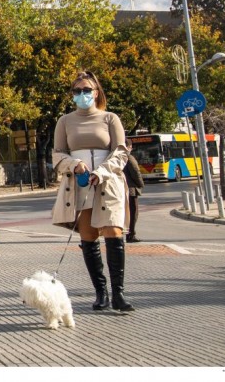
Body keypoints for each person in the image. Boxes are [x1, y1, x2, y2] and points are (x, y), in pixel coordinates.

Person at [51, 70, 135, 313]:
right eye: (77, 91)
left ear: (96, 92)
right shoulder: (64, 121)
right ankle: (101, 292)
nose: (82, 94)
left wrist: (103, 171)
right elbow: (57, 153)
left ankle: (119, 293)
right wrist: (74, 165)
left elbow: (120, 152)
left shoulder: (110, 118)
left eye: (86, 90)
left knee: (113, 232)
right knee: (88, 237)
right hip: (80, 183)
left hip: (108, 182)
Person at [124, 152, 145, 242]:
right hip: (131, 189)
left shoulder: (113, 155)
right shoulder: (128, 157)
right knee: (133, 213)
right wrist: (141, 184)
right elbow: (135, 171)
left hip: (118, 189)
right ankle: (131, 234)